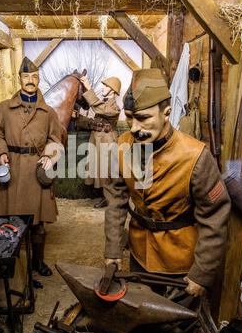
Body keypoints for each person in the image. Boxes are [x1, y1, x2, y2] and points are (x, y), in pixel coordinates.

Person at [104, 68, 231, 297]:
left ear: (167, 113)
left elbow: (215, 215)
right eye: (130, 117)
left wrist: (201, 272)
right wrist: (113, 248)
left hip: (179, 262)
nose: (134, 127)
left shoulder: (196, 156)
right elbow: (116, 201)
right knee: (139, 314)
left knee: (175, 326)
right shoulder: (121, 146)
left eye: (143, 118)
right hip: (139, 253)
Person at [0, 57, 64, 276]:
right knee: (9, 222)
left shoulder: (49, 112)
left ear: (38, 79)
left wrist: (50, 156)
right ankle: (12, 263)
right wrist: (1, 152)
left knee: (38, 225)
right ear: (19, 79)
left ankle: (37, 262)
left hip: (35, 171)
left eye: (34, 77)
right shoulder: (3, 108)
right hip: (12, 168)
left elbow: (55, 140)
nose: (30, 80)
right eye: (26, 76)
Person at [78, 75, 121, 208]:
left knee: (107, 171)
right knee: (99, 169)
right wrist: (78, 118)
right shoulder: (104, 103)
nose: (104, 87)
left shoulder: (114, 107)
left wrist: (88, 88)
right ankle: (105, 197)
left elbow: (99, 107)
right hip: (97, 140)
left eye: (107, 86)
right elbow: (96, 122)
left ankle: (110, 198)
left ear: (113, 90)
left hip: (107, 141)